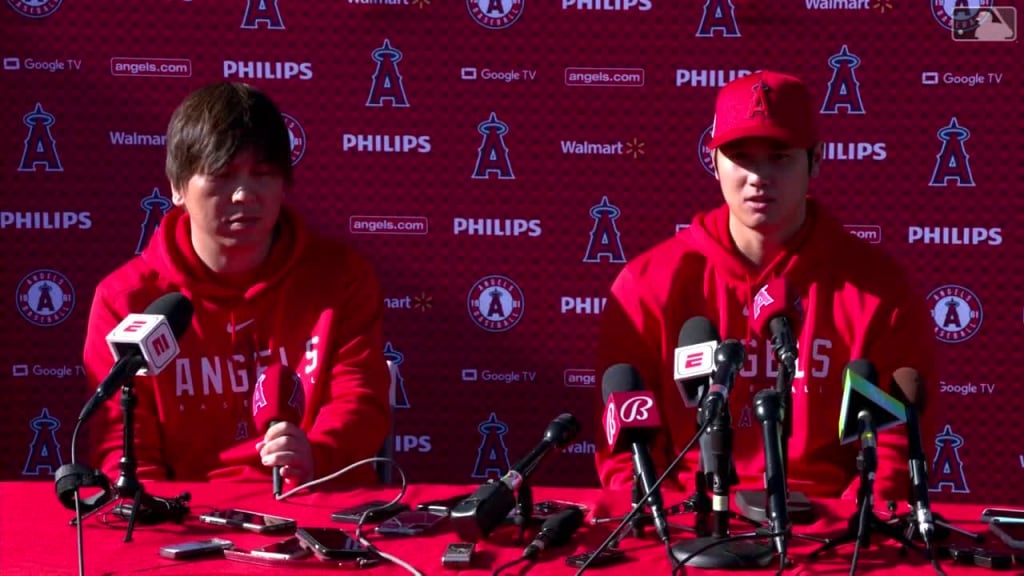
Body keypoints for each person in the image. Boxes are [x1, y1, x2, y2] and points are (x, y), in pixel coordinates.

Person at [594, 71, 936, 503]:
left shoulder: (880, 288)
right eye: (741, 156)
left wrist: (855, 527)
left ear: (816, 160)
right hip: (688, 520)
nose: (759, 176)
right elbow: (625, 452)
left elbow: (894, 448)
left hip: (833, 526)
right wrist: (658, 523)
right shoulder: (648, 283)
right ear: (713, 160)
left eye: (779, 156)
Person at [83, 82, 391, 487]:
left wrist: (315, 458)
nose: (244, 194)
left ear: (285, 183)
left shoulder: (342, 278)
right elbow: (122, 448)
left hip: (316, 505)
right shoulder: (125, 300)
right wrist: (159, 520)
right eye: (222, 175)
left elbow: (360, 404)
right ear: (177, 187)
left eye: (262, 174)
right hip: (186, 524)